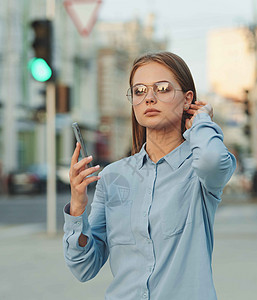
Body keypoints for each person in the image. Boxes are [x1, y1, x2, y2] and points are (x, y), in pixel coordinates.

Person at [63, 52, 236, 299]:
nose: (150, 98)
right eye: (140, 90)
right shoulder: (113, 177)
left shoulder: (198, 171)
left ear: (188, 99)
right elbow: (84, 268)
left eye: (162, 88)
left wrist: (202, 120)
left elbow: (213, 160)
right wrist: (78, 208)